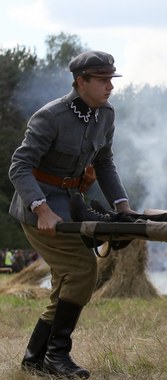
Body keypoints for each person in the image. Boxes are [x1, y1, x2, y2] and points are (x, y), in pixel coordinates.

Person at [8, 50, 134, 378]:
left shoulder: (105, 114)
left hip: (72, 203)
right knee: (81, 271)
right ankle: (56, 356)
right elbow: (19, 166)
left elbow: (104, 163)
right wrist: (43, 209)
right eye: (103, 80)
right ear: (81, 82)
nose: (110, 86)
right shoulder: (50, 116)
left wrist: (122, 206)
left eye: (111, 79)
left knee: (67, 281)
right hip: (38, 208)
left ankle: (35, 359)